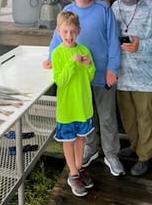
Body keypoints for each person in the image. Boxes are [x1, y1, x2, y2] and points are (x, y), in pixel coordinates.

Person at [43, 0, 125, 177]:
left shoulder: (103, 8)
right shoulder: (68, 11)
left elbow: (114, 41)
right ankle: (91, 148)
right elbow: (56, 39)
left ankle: (111, 154)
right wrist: (51, 58)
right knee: (85, 115)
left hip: (100, 73)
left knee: (106, 116)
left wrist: (111, 69)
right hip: (76, 79)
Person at [104, 0, 152, 177]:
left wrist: (142, 44)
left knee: (146, 116)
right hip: (122, 74)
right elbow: (108, 37)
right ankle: (137, 146)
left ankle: (145, 156)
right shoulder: (114, 8)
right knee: (128, 117)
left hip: (147, 75)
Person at [51, 10, 96, 197]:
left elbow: (91, 75)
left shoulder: (84, 50)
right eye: (65, 31)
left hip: (83, 105)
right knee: (68, 141)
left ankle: (78, 168)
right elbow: (60, 81)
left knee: (81, 138)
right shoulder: (57, 53)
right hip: (67, 108)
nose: (69, 36)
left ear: (78, 30)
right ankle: (73, 173)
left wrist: (88, 65)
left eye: (72, 31)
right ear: (58, 31)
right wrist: (71, 64)